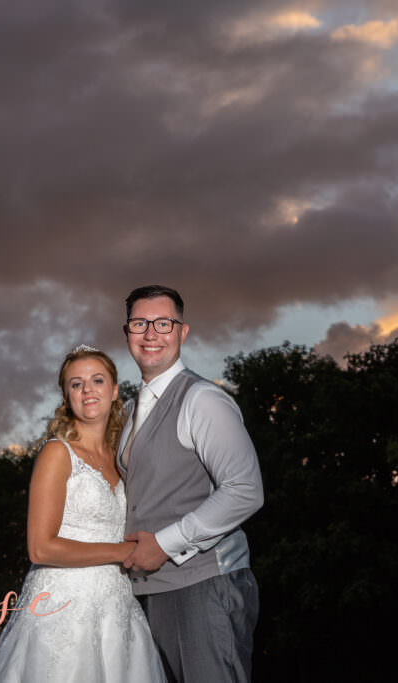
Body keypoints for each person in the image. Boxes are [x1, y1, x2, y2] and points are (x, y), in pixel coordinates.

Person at [0, 345, 166, 683]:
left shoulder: (123, 459)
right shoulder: (56, 453)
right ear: (67, 397)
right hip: (63, 608)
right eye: (76, 384)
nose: (88, 390)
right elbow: (40, 548)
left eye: (97, 380)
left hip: (117, 609)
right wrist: (123, 552)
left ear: (115, 390)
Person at [118, 285, 264, 683]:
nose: (151, 334)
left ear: (182, 332)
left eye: (163, 323)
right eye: (139, 323)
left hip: (204, 584)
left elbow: (245, 490)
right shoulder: (129, 411)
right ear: (126, 333)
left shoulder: (202, 399)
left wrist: (165, 544)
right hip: (146, 592)